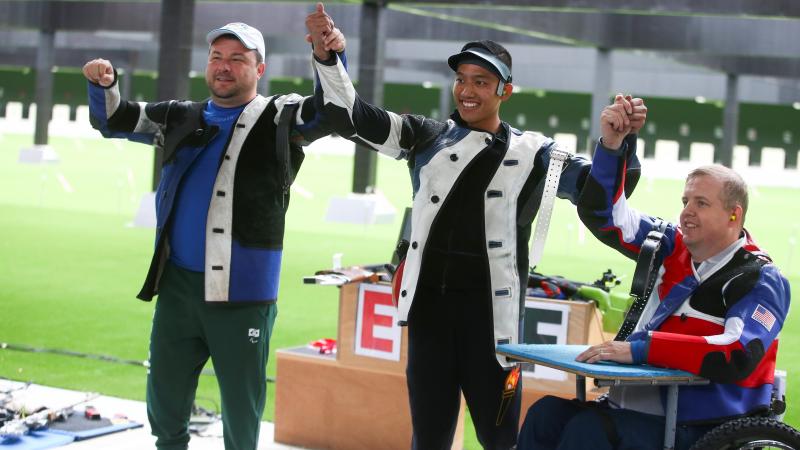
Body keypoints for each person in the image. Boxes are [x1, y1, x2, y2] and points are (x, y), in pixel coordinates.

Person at [306, 5, 646, 448]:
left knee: (499, 438)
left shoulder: (536, 154)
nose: (467, 91)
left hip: (493, 324)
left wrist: (615, 143)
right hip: (429, 316)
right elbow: (348, 117)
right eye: (462, 79)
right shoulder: (424, 135)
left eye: (481, 82)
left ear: (506, 90)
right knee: (428, 438)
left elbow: (603, 196)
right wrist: (329, 57)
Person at [83, 19, 345, 450]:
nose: (224, 67)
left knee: (241, 414)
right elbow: (113, 119)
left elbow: (332, 110)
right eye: (217, 57)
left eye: (237, 59)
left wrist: (327, 57)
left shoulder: (281, 116)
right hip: (178, 288)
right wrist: (104, 82)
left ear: (259, 70)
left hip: (243, 293)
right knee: (165, 404)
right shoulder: (180, 117)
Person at [517, 96, 791, 450]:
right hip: (630, 408)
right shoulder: (670, 245)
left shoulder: (761, 278)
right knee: (544, 415)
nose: (686, 213)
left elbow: (737, 352)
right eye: (685, 202)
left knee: (588, 432)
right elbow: (605, 218)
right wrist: (614, 146)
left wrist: (640, 349)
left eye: (701, 203)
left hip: (698, 423)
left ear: (734, 215)